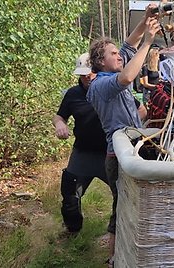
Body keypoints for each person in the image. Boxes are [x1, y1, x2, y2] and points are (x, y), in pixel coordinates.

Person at [86, 5, 160, 266]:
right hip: (117, 156)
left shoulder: (113, 71)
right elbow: (129, 76)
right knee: (121, 206)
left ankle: (135, 249)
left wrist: (147, 20)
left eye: (118, 53)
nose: (119, 56)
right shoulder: (100, 85)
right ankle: (114, 257)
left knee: (137, 202)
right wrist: (149, 42)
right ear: (100, 61)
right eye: (113, 54)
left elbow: (130, 43)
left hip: (134, 146)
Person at [52, 53, 108, 236]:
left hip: (110, 154)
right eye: (82, 73)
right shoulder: (73, 94)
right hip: (82, 152)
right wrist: (60, 124)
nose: (86, 77)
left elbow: (140, 110)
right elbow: (60, 115)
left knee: (125, 194)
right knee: (70, 194)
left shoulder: (110, 89)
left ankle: (120, 232)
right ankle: (72, 231)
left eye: (90, 72)